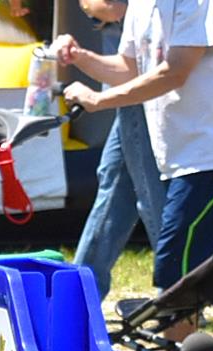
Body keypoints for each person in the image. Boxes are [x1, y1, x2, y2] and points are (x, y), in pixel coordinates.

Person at [53, 0, 213, 308]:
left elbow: (176, 71)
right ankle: (180, 348)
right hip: (183, 158)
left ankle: (194, 348)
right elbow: (129, 68)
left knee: (187, 283)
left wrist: (98, 99)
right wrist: (80, 57)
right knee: (183, 283)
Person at [69, 0, 169, 288]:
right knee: (115, 181)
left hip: (146, 90)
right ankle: (81, 291)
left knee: (150, 194)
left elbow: (111, 10)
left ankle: (176, 292)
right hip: (136, 85)